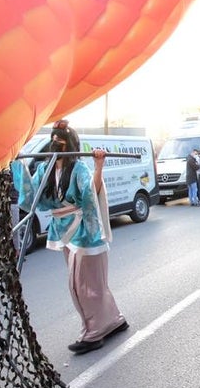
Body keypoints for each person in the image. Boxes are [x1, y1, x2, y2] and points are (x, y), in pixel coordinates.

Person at [12, 122, 129, 354]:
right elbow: (30, 195)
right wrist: (19, 161)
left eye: (61, 139)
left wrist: (98, 166)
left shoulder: (79, 169)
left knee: (82, 284)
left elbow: (90, 194)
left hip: (85, 231)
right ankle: (113, 320)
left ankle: (94, 331)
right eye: (54, 138)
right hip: (63, 230)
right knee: (90, 283)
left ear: (70, 144)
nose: (56, 141)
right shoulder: (45, 169)